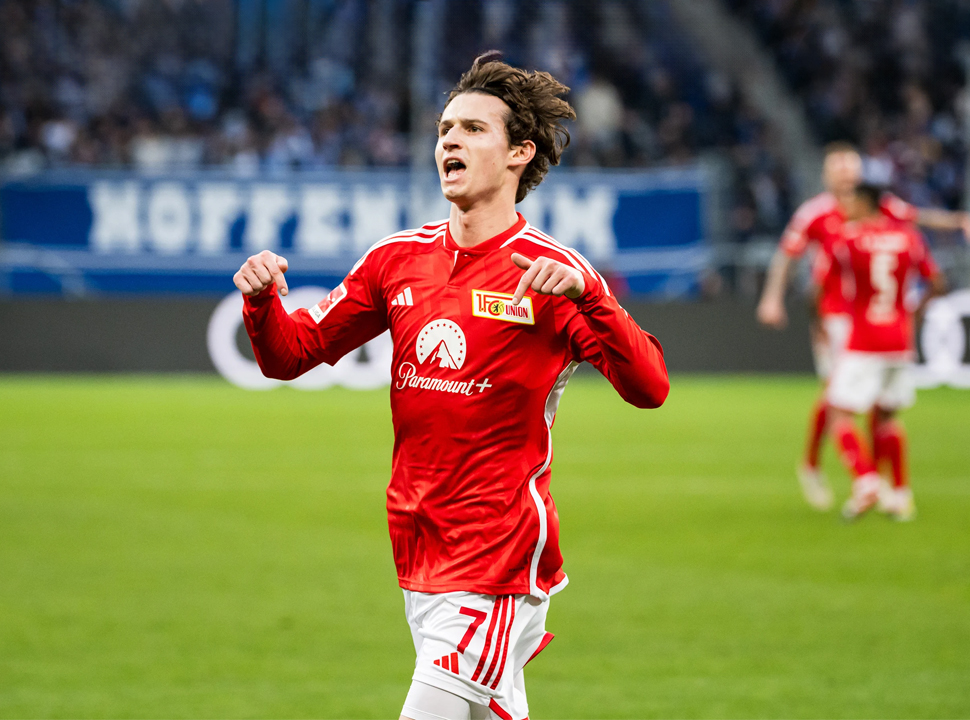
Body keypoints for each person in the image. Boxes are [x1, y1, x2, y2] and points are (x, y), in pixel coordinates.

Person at [233, 52, 669, 720]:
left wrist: (593, 297)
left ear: (519, 153)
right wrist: (262, 302)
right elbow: (292, 356)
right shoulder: (396, 260)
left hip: (497, 558)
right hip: (419, 545)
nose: (449, 142)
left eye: (471, 129)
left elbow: (649, 386)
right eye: (444, 130)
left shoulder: (553, 274)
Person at [756, 144, 970, 511]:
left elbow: (918, 216)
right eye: (838, 169)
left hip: (868, 317)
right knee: (837, 395)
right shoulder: (814, 213)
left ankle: (873, 479)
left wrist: (957, 220)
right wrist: (772, 298)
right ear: (826, 175)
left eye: (851, 169)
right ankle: (818, 467)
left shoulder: (880, 206)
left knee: (875, 402)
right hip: (834, 316)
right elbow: (787, 256)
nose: (846, 176)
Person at [820, 180, 945, 521]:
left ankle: (866, 480)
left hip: (863, 339)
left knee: (838, 415)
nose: (845, 207)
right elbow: (937, 282)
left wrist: (821, 325)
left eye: (851, 201)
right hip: (899, 339)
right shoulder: (909, 238)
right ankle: (901, 496)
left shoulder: (846, 238)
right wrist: (913, 313)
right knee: (888, 418)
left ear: (866, 203)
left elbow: (820, 285)